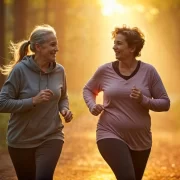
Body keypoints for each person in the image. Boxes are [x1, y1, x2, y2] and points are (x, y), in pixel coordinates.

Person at [83, 25, 170, 180]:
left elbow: (165, 103)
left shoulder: (149, 72)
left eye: (119, 43)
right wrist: (92, 105)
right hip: (109, 132)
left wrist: (143, 100)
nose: (114, 47)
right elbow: (88, 90)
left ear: (132, 48)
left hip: (141, 139)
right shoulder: (105, 70)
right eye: (114, 43)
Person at [0, 24, 73, 180]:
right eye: (52, 44)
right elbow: (2, 103)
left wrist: (65, 109)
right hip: (21, 140)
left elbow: (63, 97)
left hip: (51, 136)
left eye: (56, 44)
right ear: (38, 47)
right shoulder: (20, 70)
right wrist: (33, 100)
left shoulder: (59, 70)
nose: (57, 49)